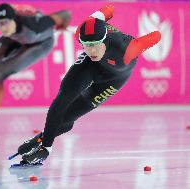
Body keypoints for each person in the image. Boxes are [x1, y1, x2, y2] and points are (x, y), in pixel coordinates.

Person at [15, 4, 161, 165]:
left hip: (114, 79)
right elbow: (109, 9)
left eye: (94, 45)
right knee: (63, 99)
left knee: (69, 117)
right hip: (90, 67)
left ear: (104, 39)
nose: (90, 50)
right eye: (86, 45)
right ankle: (45, 147)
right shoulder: (81, 32)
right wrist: (46, 145)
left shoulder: (128, 49)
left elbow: (157, 35)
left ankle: (42, 137)